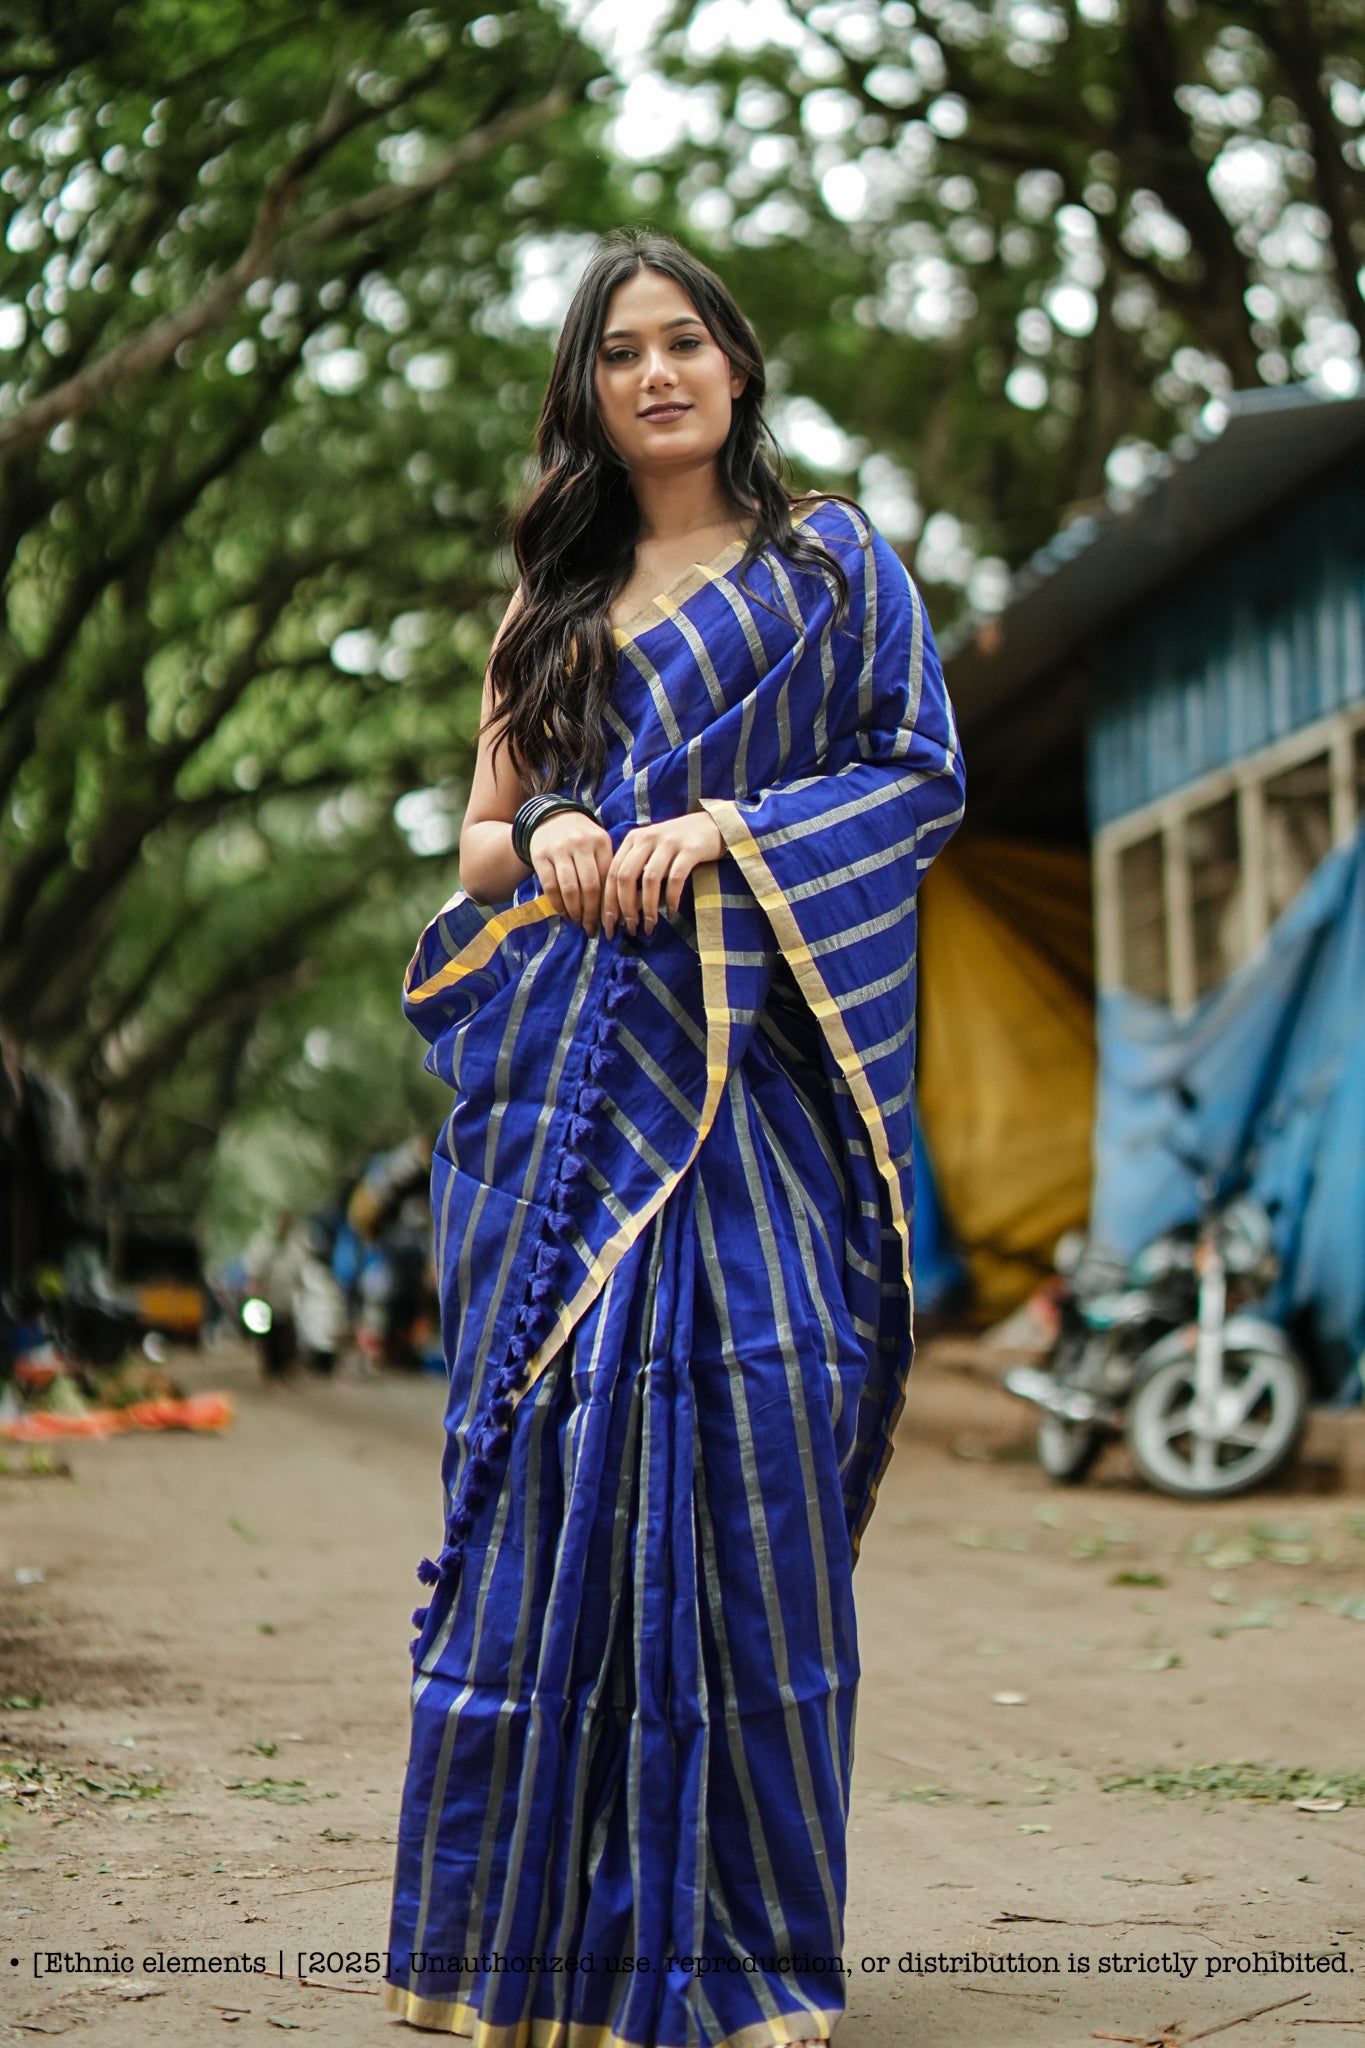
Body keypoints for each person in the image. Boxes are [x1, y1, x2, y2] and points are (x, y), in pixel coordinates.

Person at [384, 229, 964, 2048]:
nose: (656, 373)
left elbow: (917, 773)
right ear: (586, 389)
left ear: (736, 365)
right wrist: (556, 829)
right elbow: (483, 841)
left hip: (756, 1094)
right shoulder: (548, 607)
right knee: (558, 1492)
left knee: (754, 1486)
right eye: (621, 349)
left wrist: (729, 829)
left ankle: (736, 1962)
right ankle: (527, 1956)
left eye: (685, 341)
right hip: (575, 1108)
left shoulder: (830, 569)